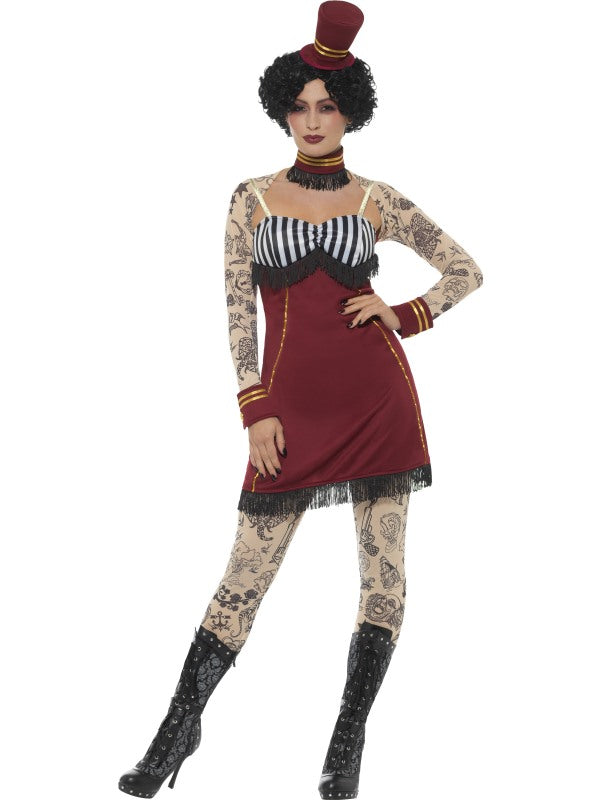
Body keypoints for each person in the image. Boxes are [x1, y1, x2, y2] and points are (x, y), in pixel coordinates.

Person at [118, 2, 483, 798]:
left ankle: (345, 746)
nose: (313, 120)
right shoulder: (250, 198)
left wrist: (405, 314)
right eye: (300, 105)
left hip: (379, 406)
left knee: (383, 576)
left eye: (328, 106)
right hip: (287, 415)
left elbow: (465, 270)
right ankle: (178, 728)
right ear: (282, 110)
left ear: (351, 112)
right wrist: (254, 406)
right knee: (243, 576)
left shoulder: (378, 199)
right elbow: (236, 311)